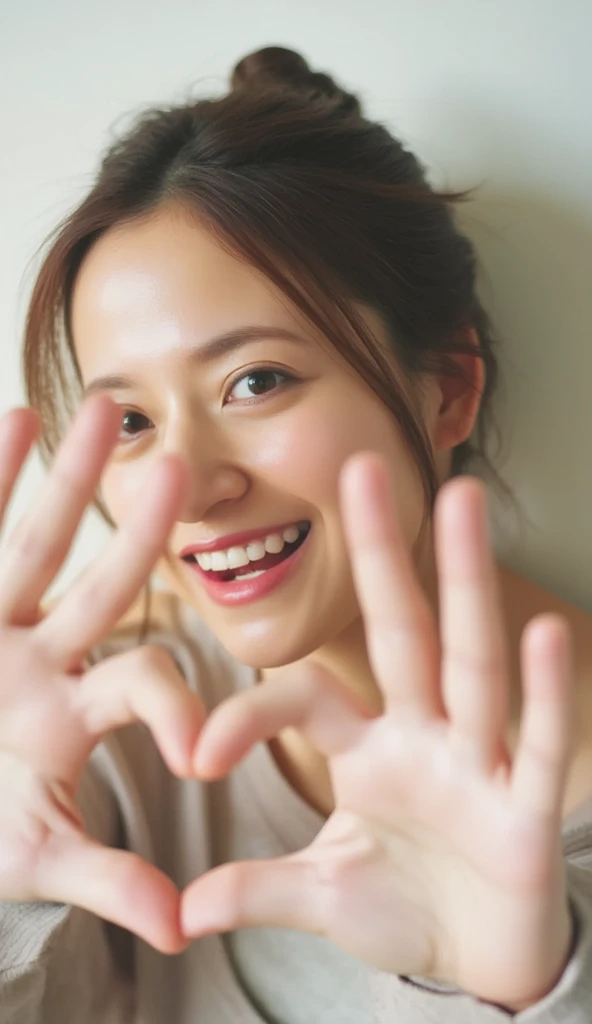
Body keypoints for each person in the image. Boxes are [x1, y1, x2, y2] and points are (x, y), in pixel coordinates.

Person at [1, 45, 591, 1024]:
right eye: (133, 423)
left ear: (447, 385)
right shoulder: (97, 722)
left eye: (255, 381)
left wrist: (513, 990)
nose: (189, 490)